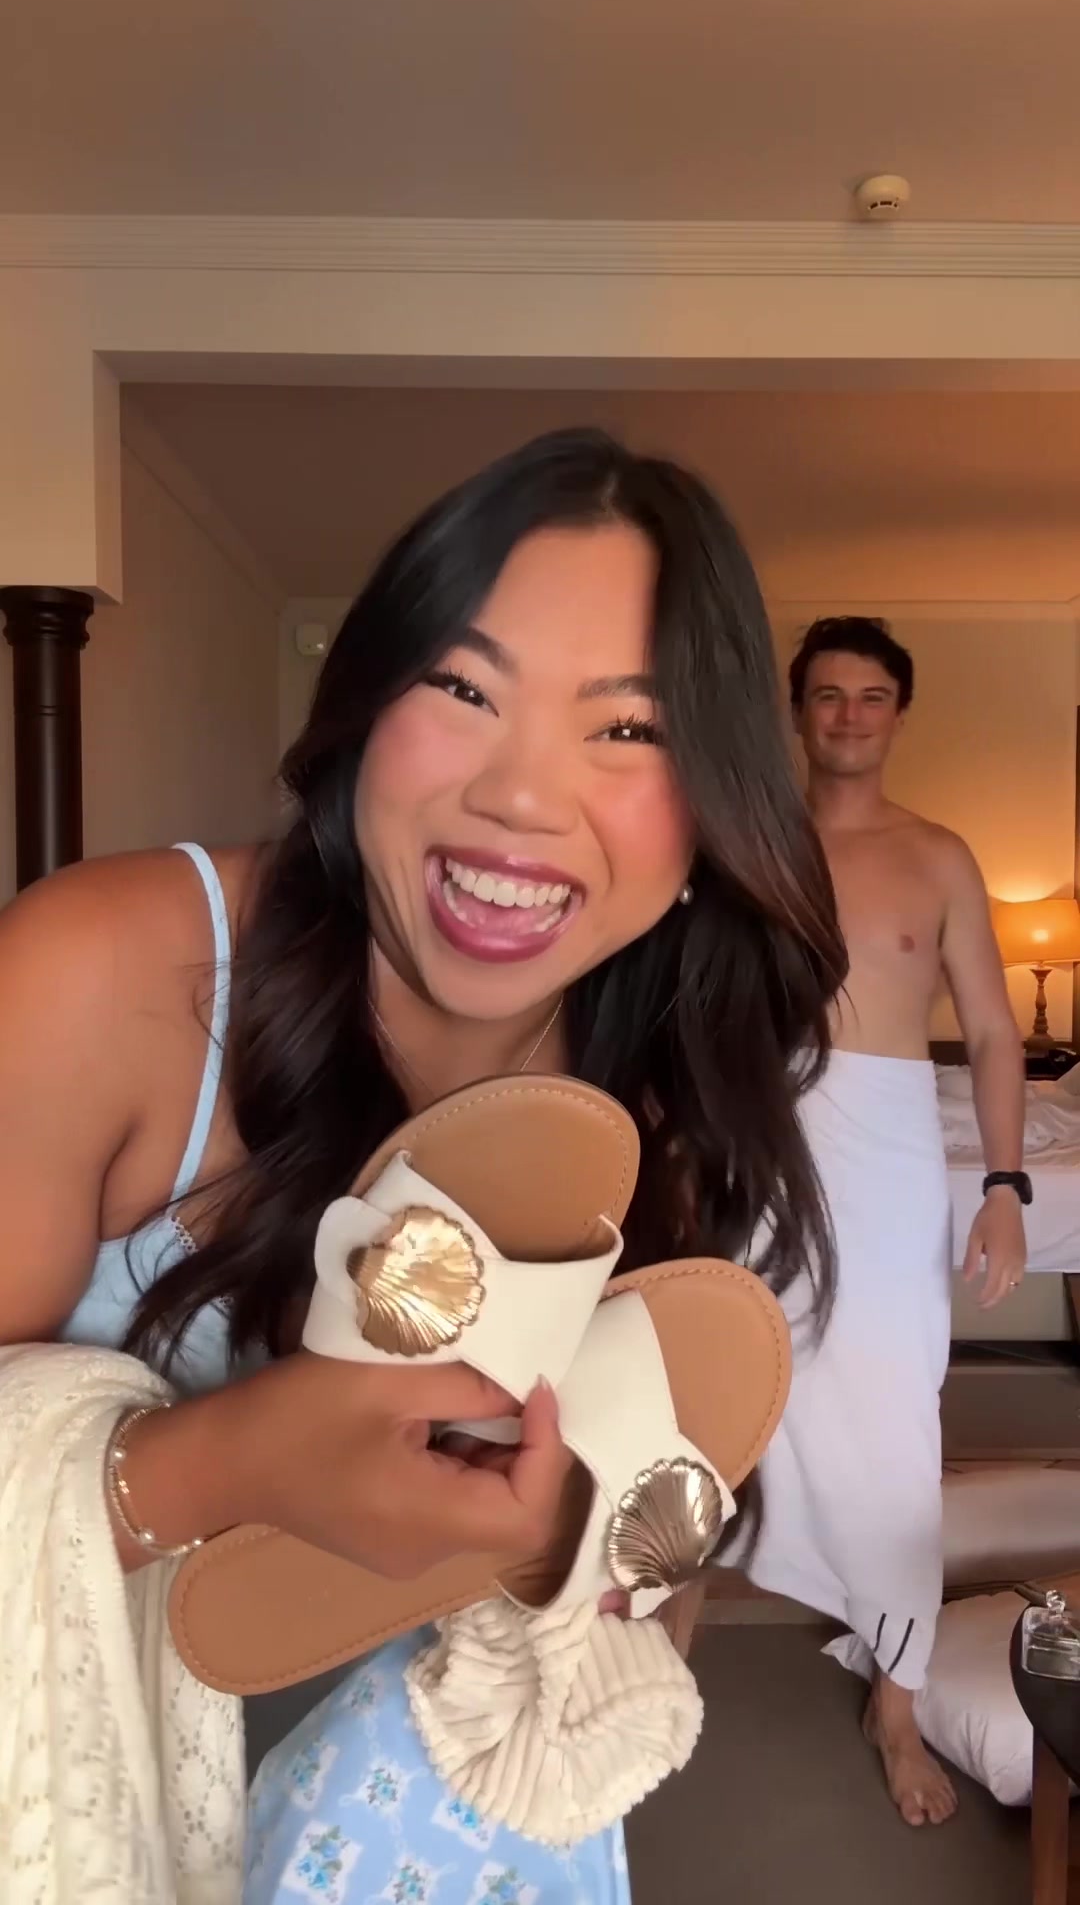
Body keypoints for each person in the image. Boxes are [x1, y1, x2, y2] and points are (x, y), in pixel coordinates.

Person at [0, 429, 846, 1902]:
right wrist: (216, 1464)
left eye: (627, 729)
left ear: (714, 810)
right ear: (361, 713)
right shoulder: (106, 971)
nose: (523, 795)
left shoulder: (663, 1089)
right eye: (463, 689)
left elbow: (637, 1601)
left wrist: (603, 1572)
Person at [738, 615, 1026, 1830]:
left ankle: (896, 1701)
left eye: (870, 696)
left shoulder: (940, 856)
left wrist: (1004, 1187)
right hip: (763, 1143)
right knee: (734, 1385)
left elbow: (996, 1032)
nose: (849, 715)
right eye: (827, 695)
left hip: (894, 1152)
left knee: (899, 1416)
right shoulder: (749, 844)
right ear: (798, 710)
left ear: (898, 713)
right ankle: (669, 1628)